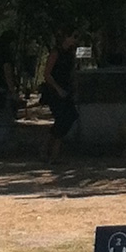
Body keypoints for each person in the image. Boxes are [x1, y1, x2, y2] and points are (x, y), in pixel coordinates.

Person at [41, 33, 80, 170]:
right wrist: (57, 89)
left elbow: (72, 73)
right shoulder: (55, 52)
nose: (74, 39)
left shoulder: (70, 54)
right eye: (72, 36)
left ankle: (47, 149)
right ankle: (53, 154)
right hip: (54, 92)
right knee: (62, 119)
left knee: (70, 117)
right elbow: (47, 74)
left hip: (67, 90)